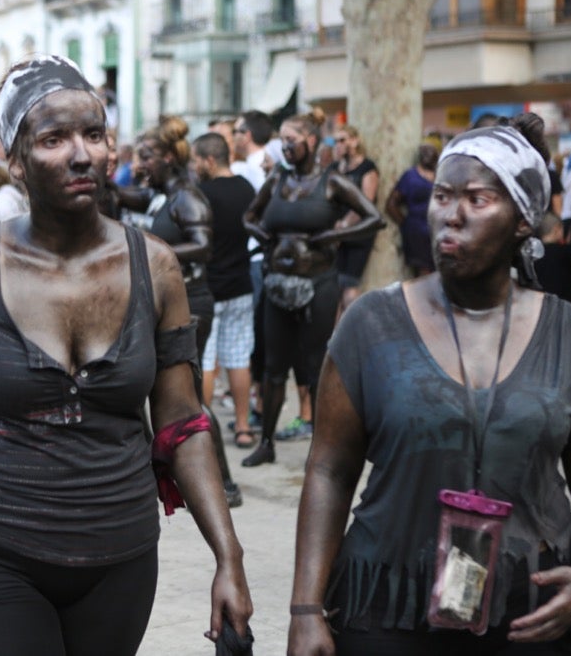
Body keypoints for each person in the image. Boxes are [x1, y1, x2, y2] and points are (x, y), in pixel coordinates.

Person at [0, 55, 252, 655]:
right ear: (14, 161)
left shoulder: (156, 266)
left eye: (94, 134)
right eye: (54, 138)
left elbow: (182, 424)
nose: (80, 153)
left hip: (119, 558)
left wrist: (229, 556)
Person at [288, 115, 571, 656]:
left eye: (477, 198)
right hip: (387, 601)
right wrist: (305, 608)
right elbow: (329, 469)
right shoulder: (370, 325)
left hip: (534, 604)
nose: (452, 215)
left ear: (523, 220)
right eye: (443, 196)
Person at [241, 111, 383, 465]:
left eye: (292, 140)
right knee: (274, 368)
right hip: (277, 283)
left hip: (318, 283)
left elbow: (373, 218)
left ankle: (322, 449)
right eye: (283, 141)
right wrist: (264, 237)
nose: (286, 147)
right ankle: (267, 442)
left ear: (312, 142)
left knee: (317, 365)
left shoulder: (333, 182)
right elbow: (249, 216)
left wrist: (334, 235)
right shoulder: (276, 179)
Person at [129, 115, 243, 507]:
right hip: (170, 304)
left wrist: (152, 254)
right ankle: (153, 469)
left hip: (193, 306)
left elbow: (203, 246)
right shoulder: (162, 194)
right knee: (152, 389)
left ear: (168, 158)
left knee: (189, 398)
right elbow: (123, 198)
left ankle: (225, 484)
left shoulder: (188, 196)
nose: (140, 164)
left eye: (146, 156)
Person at [194, 133, 257, 450]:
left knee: (206, 360)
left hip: (210, 286)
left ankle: (203, 431)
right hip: (241, 283)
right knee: (238, 357)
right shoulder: (246, 188)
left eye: (196, 160)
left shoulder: (202, 193)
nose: (194, 166)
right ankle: (244, 427)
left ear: (208, 160)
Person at [330, 124, 380, 312]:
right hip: (336, 233)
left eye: (343, 140)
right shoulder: (336, 167)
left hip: (357, 232)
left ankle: (349, 331)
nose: (338, 145)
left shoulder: (367, 167)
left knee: (350, 284)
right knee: (334, 285)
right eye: (335, 141)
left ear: (355, 140)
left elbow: (366, 203)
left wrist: (343, 226)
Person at [385, 140, 438, 277]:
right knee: (423, 274)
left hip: (437, 230)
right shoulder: (410, 176)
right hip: (417, 232)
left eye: (431, 151)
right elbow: (391, 204)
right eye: (424, 152)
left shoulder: (441, 175)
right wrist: (406, 224)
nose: (427, 155)